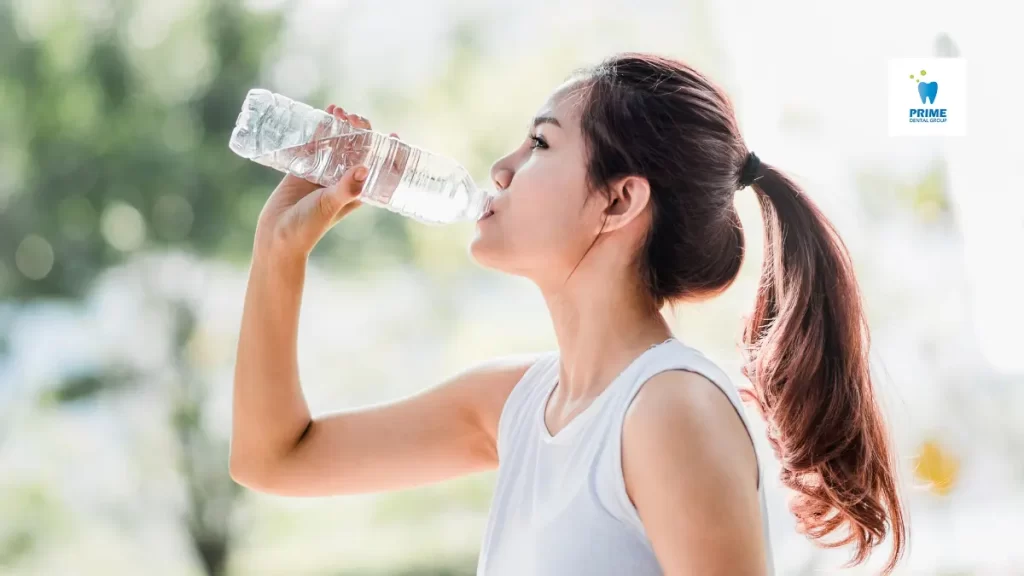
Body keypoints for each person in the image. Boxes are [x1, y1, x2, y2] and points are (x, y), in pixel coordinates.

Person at [229, 53, 906, 575]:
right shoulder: (517, 405)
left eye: (540, 145)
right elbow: (274, 459)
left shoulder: (670, 412)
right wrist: (278, 250)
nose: (500, 169)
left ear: (619, 201)